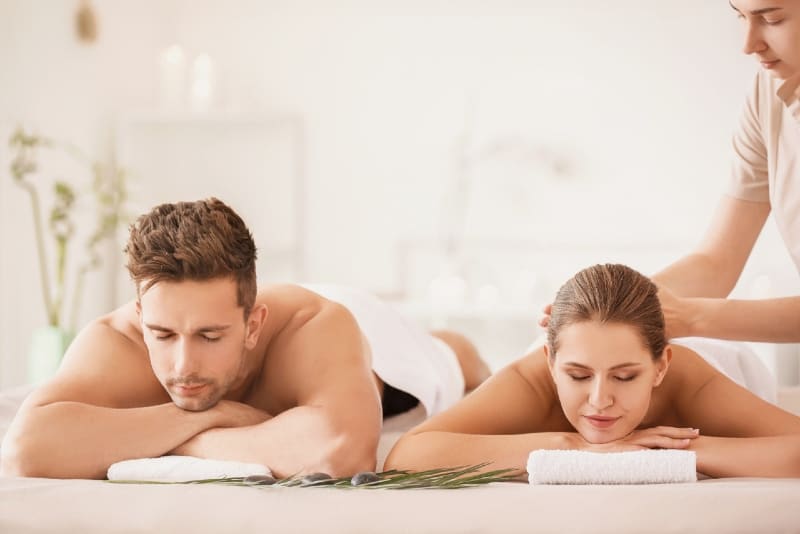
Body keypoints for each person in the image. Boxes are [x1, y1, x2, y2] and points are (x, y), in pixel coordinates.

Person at [0, 198, 490, 479]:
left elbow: (339, 452)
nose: (182, 364)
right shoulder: (115, 340)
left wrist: (170, 441)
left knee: (452, 358)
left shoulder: (317, 327)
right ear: (139, 314)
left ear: (253, 325)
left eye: (209, 336)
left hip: (372, 331)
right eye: (163, 334)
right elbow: (25, 449)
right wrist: (215, 414)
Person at [385, 264, 800, 478]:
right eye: (578, 376)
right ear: (551, 363)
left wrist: (665, 451)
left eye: (625, 377)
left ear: (660, 368)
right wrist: (579, 448)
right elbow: (408, 455)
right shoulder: (532, 379)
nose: (600, 400)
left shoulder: (688, 377)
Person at [650, 0, 800, 341]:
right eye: (739, 16)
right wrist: (611, 304)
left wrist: (692, 318)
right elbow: (717, 261)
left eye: (772, 19)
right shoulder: (768, 93)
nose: (748, 45)